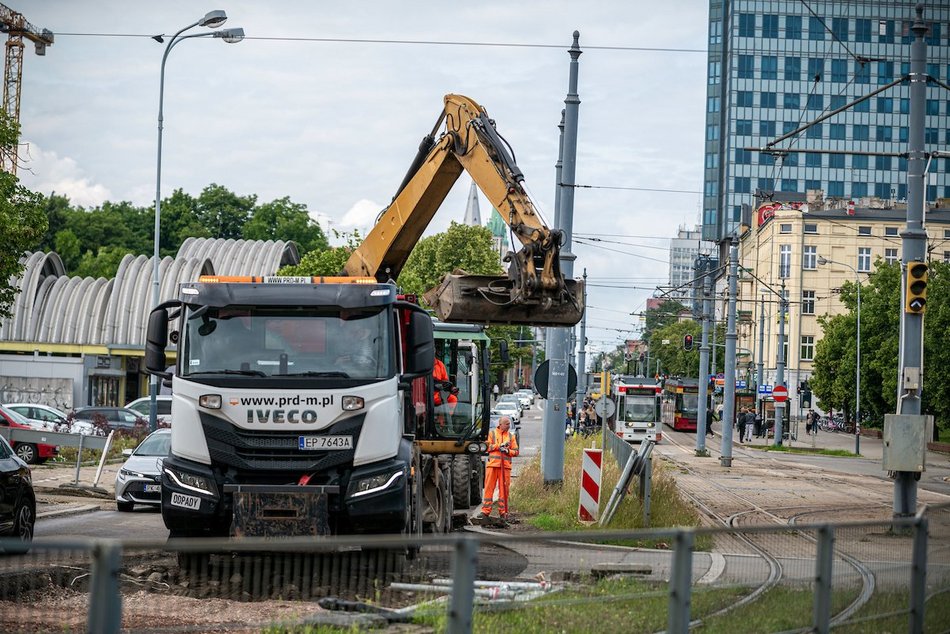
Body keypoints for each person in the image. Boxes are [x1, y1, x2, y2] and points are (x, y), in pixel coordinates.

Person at [475, 415, 519, 522]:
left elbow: (516, 452)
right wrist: (499, 446)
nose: (508, 426)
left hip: (505, 467)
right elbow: (487, 447)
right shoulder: (492, 434)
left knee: (504, 491)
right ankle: (485, 512)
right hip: (493, 466)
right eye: (507, 424)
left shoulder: (511, 436)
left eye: (509, 424)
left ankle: (503, 513)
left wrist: (507, 451)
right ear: (500, 425)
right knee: (489, 489)